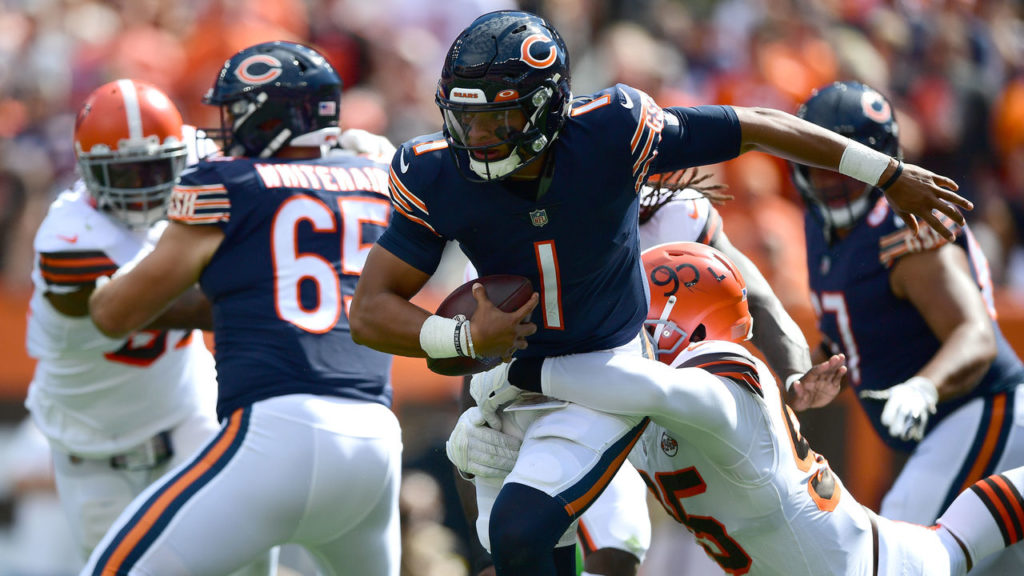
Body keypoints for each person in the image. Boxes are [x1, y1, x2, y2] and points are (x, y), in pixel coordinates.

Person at [347, 10, 970, 576]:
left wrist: (886, 174)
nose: (478, 138)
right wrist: (462, 338)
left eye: (499, 118)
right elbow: (371, 309)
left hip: (606, 365)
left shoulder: (612, 132)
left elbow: (762, 126)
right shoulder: (434, 172)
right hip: (513, 370)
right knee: (507, 546)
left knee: (557, 539)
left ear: (547, 108)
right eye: (467, 118)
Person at [454, 241, 1024, 576]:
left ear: (680, 312)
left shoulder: (725, 370)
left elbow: (649, 390)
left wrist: (520, 372)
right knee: (953, 541)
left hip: (880, 570)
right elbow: (563, 500)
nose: (622, 332)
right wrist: (487, 458)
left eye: (637, 316)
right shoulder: (645, 398)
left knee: (949, 546)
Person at [85, 41, 402, 575]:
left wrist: (98, 289)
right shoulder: (381, 176)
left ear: (268, 116)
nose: (226, 127)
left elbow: (115, 314)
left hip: (275, 433)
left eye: (235, 112)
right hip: (375, 441)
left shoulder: (228, 184)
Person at [453, 169, 824, 576]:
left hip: (642, 387)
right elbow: (479, 382)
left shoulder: (678, 214)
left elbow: (753, 296)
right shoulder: (522, 235)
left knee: (622, 547)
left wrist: (794, 373)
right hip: (569, 405)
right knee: (603, 544)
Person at [24, 78, 276, 574]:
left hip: (189, 416)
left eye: (157, 168)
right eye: (126, 173)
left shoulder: (195, 156)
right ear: (87, 171)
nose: (146, 187)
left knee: (245, 551)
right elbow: (196, 305)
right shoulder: (70, 240)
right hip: (92, 448)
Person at [790, 81, 1024, 574]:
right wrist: (827, 364)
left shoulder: (903, 225)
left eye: (850, 168)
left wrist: (923, 387)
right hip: (950, 421)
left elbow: (976, 335)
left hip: (987, 406)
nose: (833, 182)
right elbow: (858, 324)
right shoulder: (822, 228)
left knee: (893, 555)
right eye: (822, 166)